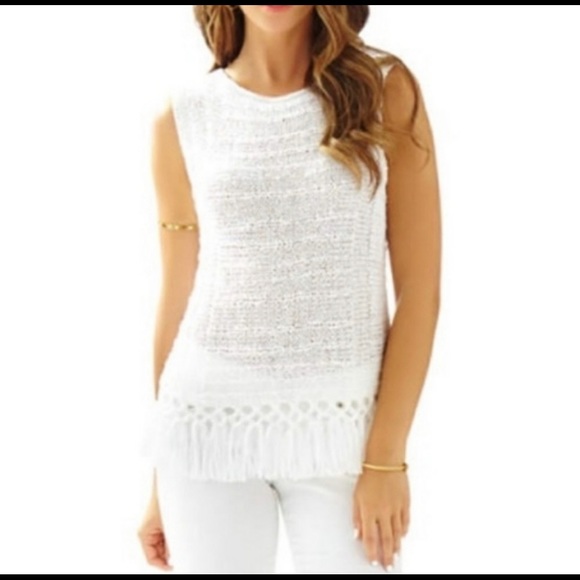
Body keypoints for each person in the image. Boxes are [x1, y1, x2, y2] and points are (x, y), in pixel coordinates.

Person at [137, 5, 441, 575]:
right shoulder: (183, 116)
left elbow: (420, 291)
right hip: (204, 430)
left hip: (348, 439)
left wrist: (387, 460)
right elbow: (177, 295)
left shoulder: (385, 90)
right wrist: (161, 476)